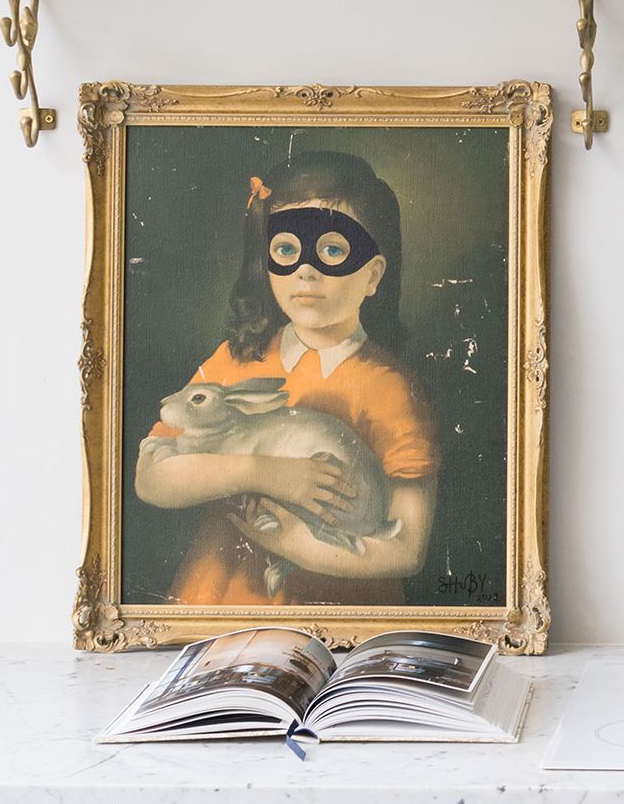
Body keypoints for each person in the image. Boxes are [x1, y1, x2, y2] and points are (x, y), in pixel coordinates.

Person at [135, 151, 439, 605]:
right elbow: (151, 478)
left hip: (339, 614)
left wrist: (291, 544)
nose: (306, 270)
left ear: (373, 274)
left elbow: (407, 548)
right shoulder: (237, 361)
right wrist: (266, 472)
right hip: (225, 600)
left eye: (333, 250)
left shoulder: (391, 388)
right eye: (286, 250)